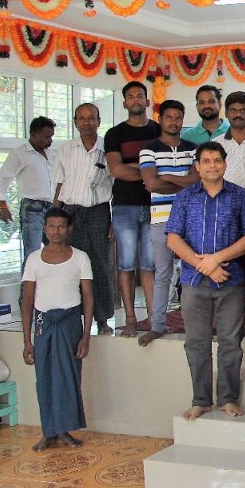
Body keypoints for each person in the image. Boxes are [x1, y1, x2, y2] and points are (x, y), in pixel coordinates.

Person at [166, 141, 245, 421]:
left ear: (225, 163)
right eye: (206, 161)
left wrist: (216, 258)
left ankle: (228, 398)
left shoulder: (240, 196)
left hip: (231, 281)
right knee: (197, 342)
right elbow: (173, 238)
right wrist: (204, 266)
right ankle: (201, 400)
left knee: (231, 342)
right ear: (197, 165)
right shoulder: (185, 197)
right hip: (194, 282)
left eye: (217, 160)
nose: (211, 165)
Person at [20, 208, 93, 452]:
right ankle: (48, 432)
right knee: (45, 379)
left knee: (69, 377)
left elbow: (88, 298)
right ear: (44, 229)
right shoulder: (33, 258)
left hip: (70, 322)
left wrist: (85, 336)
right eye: (51, 226)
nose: (56, 231)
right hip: (43, 324)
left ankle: (65, 431)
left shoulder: (80, 257)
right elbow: (27, 301)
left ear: (69, 229)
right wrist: (27, 341)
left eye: (61, 226)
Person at [138, 100, 198, 346]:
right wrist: (183, 180)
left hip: (190, 220)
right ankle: (157, 325)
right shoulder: (148, 149)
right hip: (161, 219)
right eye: (169, 117)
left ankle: (193, 326)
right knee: (162, 274)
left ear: (183, 120)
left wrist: (168, 177)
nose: (174, 121)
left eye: (178, 117)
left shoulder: (194, 149)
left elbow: (198, 181)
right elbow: (151, 184)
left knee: (192, 273)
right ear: (160, 119)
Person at [51, 103, 115, 335]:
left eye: (91, 118)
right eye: (82, 118)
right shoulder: (66, 149)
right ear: (75, 122)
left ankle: (102, 319)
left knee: (101, 265)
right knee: (70, 266)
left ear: (99, 121)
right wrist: (54, 217)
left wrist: (114, 220)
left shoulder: (109, 150)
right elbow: (59, 184)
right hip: (70, 214)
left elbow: (117, 187)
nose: (87, 122)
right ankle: (73, 318)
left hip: (99, 212)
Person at [105, 81, 161, 334]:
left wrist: (137, 171)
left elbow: (166, 169)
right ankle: (129, 318)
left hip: (155, 206)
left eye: (140, 96)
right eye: (131, 97)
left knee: (150, 265)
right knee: (126, 264)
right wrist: (150, 173)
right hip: (125, 206)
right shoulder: (115, 134)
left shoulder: (159, 131)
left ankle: (152, 318)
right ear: (125, 103)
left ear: (147, 101)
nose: (136, 100)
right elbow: (116, 170)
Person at [0, 116, 55, 275]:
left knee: (56, 251)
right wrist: (3, 207)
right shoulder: (20, 153)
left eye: (52, 137)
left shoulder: (52, 154)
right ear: (34, 134)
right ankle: (27, 299)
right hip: (32, 209)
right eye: (47, 137)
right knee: (32, 255)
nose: (50, 140)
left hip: (53, 209)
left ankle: (50, 294)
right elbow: (1, 180)